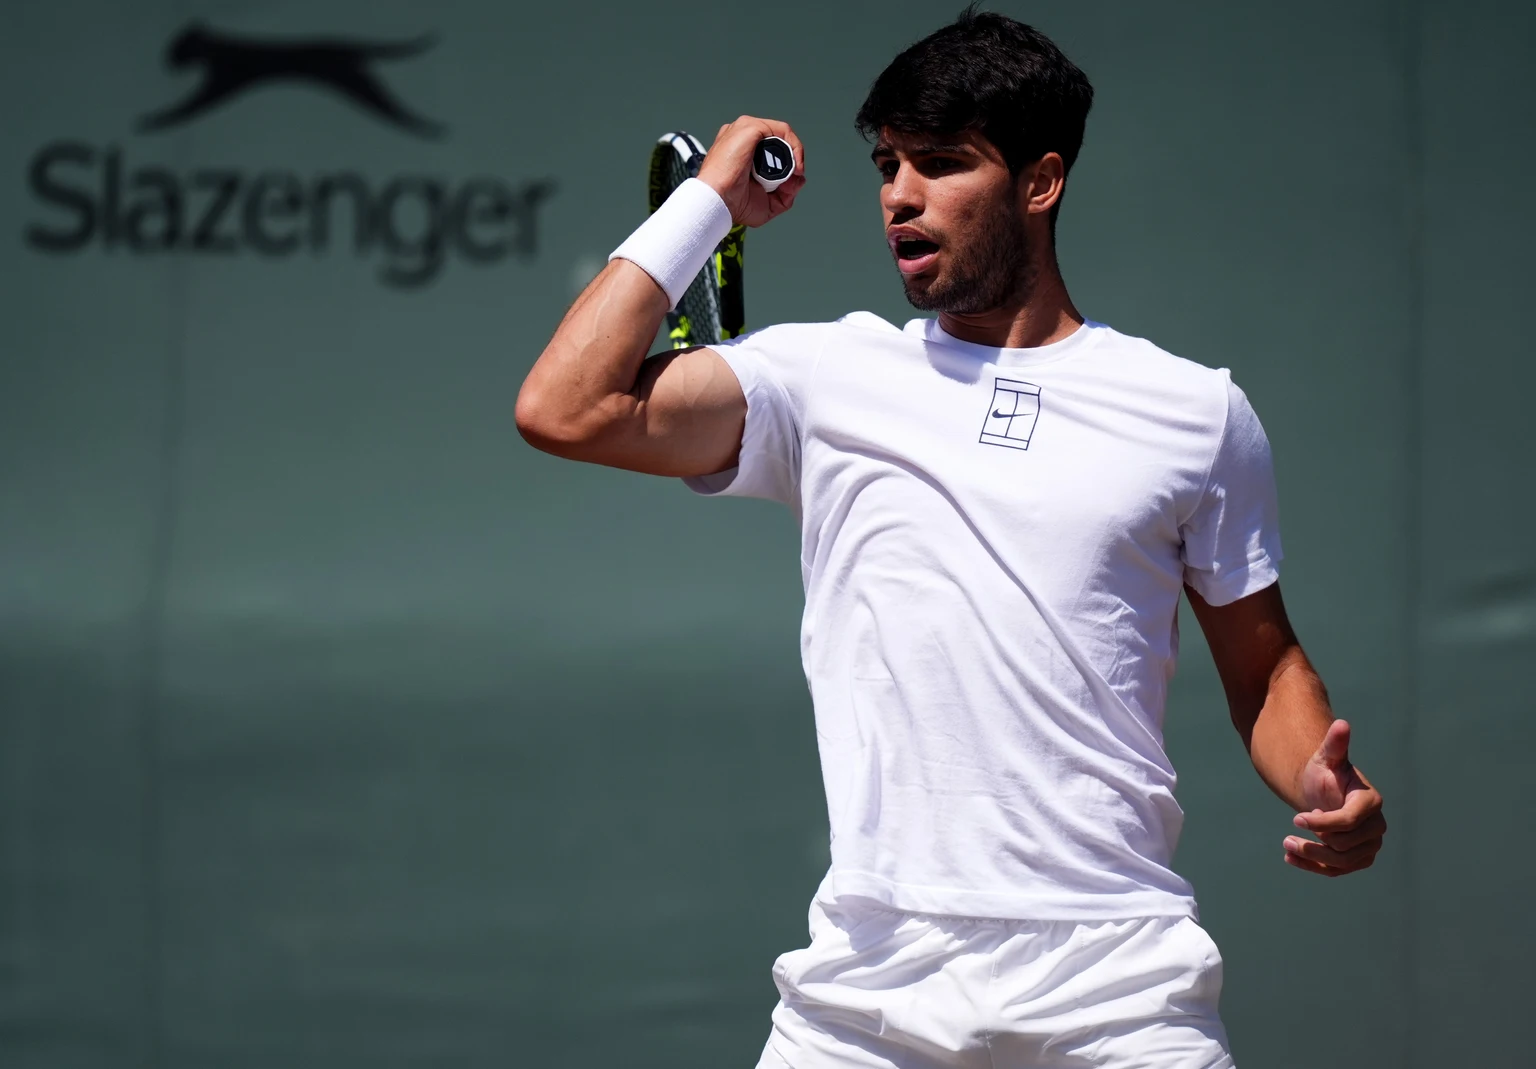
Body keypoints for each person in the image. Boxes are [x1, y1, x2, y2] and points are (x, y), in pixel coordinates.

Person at [514, 8, 1385, 1067]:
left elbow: (1263, 665)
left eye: (939, 164)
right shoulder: (819, 377)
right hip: (863, 1000)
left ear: (1039, 181)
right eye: (887, 165)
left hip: (1118, 989)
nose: (899, 195)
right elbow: (563, 407)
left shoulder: (1196, 413)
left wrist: (1318, 784)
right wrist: (707, 207)